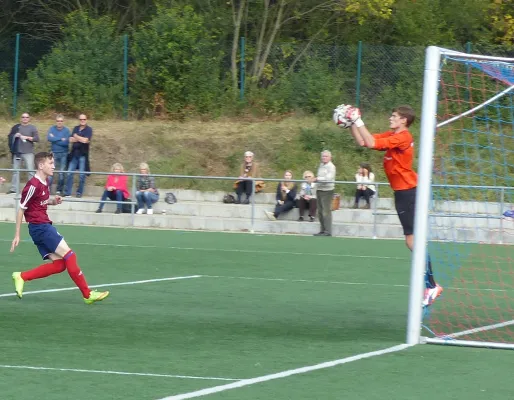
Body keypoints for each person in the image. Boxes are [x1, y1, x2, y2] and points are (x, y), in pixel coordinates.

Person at [347, 104, 443, 307]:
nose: (390, 118)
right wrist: (351, 124)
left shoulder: (404, 137)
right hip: (403, 193)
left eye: (394, 116)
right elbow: (365, 141)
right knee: (412, 241)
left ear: (404, 120)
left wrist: (358, 120)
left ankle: (432, 285)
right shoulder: (393, 134)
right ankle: (430, 285)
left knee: (412, 241)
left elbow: (372, 142)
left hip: (408, 192)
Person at [10, 151, 109, 304]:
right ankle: (87, 295)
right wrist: (17, 234)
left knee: (60, 265)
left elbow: (40, 202)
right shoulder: (32, 185)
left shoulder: (45, 182)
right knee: (70, 256)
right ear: (41, 165)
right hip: (40, 228)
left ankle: (22, 276)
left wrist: (53, 201)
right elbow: (21, 208)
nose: (54, 166)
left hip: (40, 228)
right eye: (51, 163)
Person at [7, 112, 40, 194]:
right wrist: (15, 135)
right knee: (15, 171)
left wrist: (28, 137)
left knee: (30, 171)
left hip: (28, 152)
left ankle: (32, 189)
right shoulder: (16, 127)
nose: (25, 118)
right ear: (21, 118)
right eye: (23, 117)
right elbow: (10, 136)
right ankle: (14, 189)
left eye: (26, 117)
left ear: (29, 118)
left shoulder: (32, 127)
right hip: (17, 152)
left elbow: (37, 138)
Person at [64, 114, 92, 198]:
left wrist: (76, 136)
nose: (82, 120)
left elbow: (86, 140)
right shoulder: (76, 128)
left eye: (84, 119)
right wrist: (80, 139)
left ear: (86, 120)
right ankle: (67, 192)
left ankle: (79, 192)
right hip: (74, 154)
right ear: (79, 120)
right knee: (69, 173)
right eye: (81, 119)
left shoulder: (89, 129)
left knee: (81, 175)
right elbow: (70, 139)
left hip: (83, 155)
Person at [47, 114, 71, 195]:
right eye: (58, 121)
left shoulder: (67, 130)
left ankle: (59, 190)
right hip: (54, 153)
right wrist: (61, 139)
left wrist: (55, 139)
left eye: (61, 121)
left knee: (61, 173)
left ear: (63, 122)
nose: (59, 122)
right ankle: (47, 190)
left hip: (64, 153)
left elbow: (66, 142)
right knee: (50, 172)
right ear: (56, 121)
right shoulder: (52, 128)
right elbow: (49, 138)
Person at [314, 150, 336, 236]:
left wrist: (317, 179)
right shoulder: (321, 165)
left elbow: (328, 178)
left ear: (330, 157)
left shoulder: (331, 167)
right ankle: (322, 229)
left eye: (326, 156)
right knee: (320, 211)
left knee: (326, 211)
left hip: (327, 190)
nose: (324, 158)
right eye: (323, 156)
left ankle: (328, 231)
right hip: (319, 189)